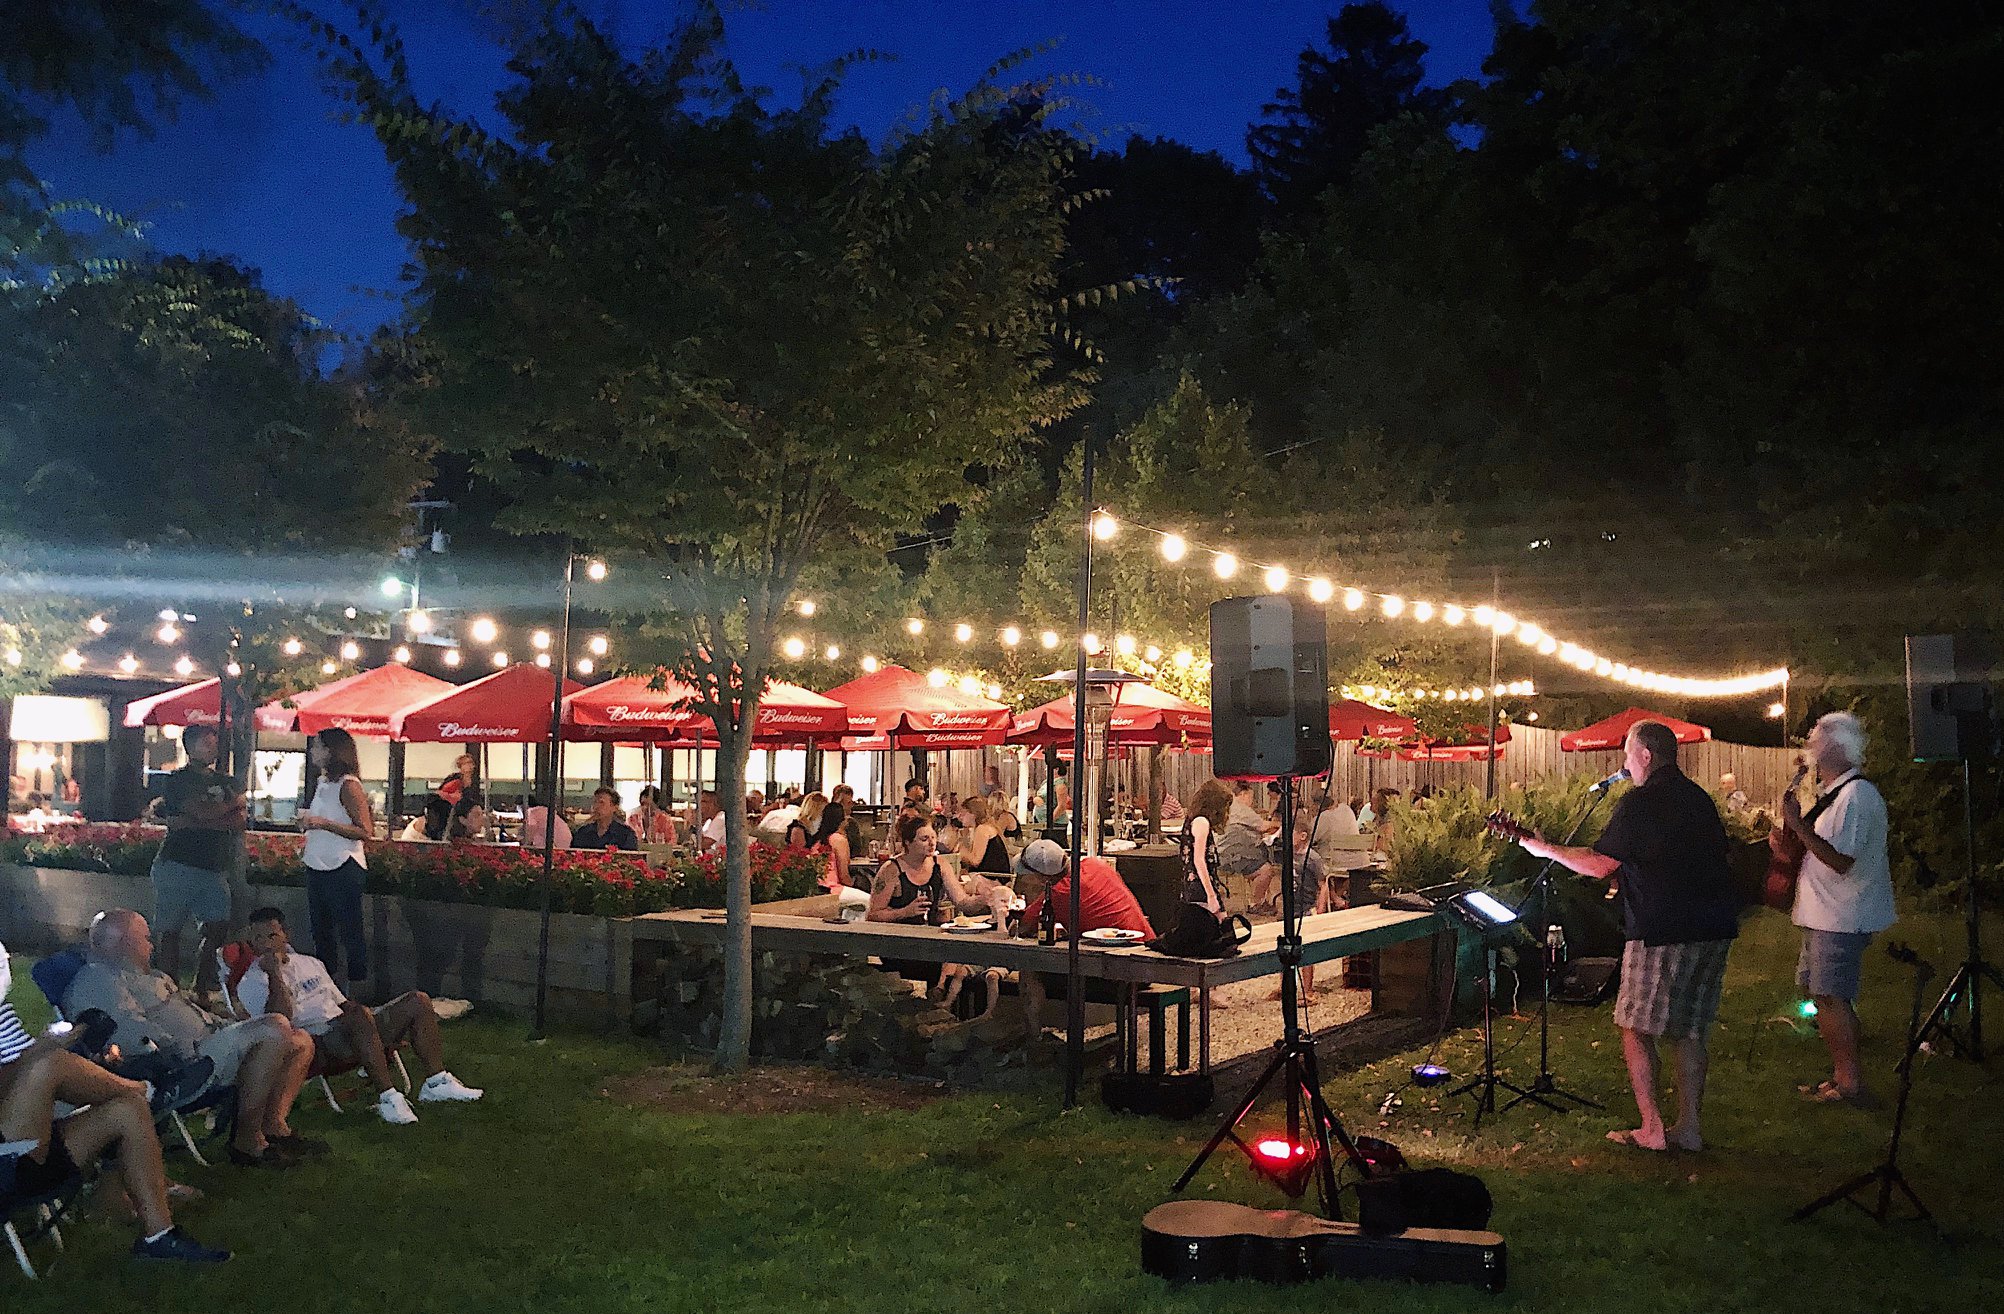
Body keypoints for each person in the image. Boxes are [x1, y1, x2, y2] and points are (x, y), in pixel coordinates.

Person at [1518, 720, 1738, 1153]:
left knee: (1635, 1025)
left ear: (1645, 755)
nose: (1624, 764)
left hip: (1663, 930)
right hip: (1714, 926)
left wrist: (1543, 849)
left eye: (1627, 755)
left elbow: (1600, 863)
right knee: (1690, 1030)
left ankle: (1652, 1130)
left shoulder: (1641, 802)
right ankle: (1689, 1129)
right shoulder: (1698, 798)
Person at [2, 942, 232, 1262]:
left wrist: (79, 1059)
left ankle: (159, 1236)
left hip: (31, 1140)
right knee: (52, 1065)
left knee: (128, 1110)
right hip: (8, 1157)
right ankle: (151, 1091)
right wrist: (39, 1053)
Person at [66, 909, 316, 1167]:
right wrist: (177, 1050)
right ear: (125, 942)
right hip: (186, 1064)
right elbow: (128, 1030)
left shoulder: (152, 977)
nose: (153, 946)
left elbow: (189, 1014)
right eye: (146, 939)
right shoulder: (98, 979)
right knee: (274, 1027)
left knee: (300, 1041)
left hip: (209, 1044)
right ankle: (247, 1142)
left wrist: (224, 1022)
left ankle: (273, 1126)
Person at [236, 907, 483, 1125]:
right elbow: (280, 1022)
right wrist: (275, 974)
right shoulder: (251, 982)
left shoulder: (310, 963)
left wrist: (369, 1017)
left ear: (286, 935)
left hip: (350, 1028)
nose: (265, 944)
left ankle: (436, 1083)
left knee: (417, 1001)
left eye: (272, 936)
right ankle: (388, 1097)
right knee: (357, 1018)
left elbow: (342, 1003)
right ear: (251, 942)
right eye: (258, 938)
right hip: (316, 1043)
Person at [1779, 711, 1895, 1107]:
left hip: (1842, 915)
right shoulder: (1837, 795)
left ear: (1838, 747)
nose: (1811, 746)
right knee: (1825, 996)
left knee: (1831, 995)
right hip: (1825, 913)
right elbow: (1822, 847)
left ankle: (1849, 1083)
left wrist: (1798, 826)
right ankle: (1843, 1076)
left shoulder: (1856, 796)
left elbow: (1841, 859)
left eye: (1817, 739)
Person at [1011, 838, 1154, 1031]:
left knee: (1032, 967)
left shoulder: (1060, 892)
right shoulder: (1095, 864)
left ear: (1043, 878)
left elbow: (1021, 927)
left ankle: (1035, 1034)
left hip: (1123, 972)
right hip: (1147, 959)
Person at [148, 724, 244, 995]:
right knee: (170, 930)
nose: (213, 749)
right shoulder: (178, 780)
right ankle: (170, 989)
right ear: (190, 747)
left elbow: (237, 821)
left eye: (214, 743)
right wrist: (228, 808)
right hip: (178, 863)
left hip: (214, 867)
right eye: (206, 744)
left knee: (217, 927)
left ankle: (201, 988)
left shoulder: (226, 781)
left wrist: (195, 820)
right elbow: (202, 811)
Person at [300, 727, 375, 993]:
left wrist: (323, 823)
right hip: (316, 863)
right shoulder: (322, 783)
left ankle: (355, 990)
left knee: (348, 931)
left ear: (332, 751)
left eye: (318, 746)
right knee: (321, 932)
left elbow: (364, 830)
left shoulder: (349, 785)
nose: (313, 752)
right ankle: (327, 988)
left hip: (342, 865)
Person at [868, 813, 973, 988]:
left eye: (933, 837)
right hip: (898, 942)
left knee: (958, 954)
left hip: (929, 939)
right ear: (908, 843)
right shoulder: (891, 870)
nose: (931, 843)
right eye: (924, 839)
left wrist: (984, 899)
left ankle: (939, 993)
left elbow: (962, 902)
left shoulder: (940, 864)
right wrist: (905, 912)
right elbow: (873, 915)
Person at [952, 795, 1012, 876]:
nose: (960, 816)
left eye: (963, 813)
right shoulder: (985, 827)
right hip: (991, 875)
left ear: (973, 814)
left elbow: (975, 860)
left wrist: (962, 851)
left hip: (993, 877)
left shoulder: (983, 829)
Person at [572, 786, 640, 851]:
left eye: (601, 803)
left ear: (614, 807)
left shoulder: (625, 834)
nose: (596, 806)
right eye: (595, 802)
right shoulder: (583, 832)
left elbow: (629, 857)